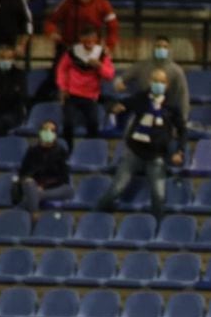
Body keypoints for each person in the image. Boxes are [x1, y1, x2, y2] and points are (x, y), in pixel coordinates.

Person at [96, 68, 186, 219]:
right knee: (116, 189)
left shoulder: (171, 105)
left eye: (162, 82)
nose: (158, 84)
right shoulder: (141, 99)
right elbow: (117, 103)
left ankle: (158, 230)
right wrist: (113, 107)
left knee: (159, 195)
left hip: (157, 155)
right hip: (134, 152)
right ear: (150, 82)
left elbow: (182, 130)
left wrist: (180, 150)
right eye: (155, 81)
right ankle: (96, 218)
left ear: (167, 85)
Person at [36, 0, 119, 103]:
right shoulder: (68, 3)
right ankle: (39, 103)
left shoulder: (103, 4)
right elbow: (51, 21)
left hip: (91, 49)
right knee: (55, 75)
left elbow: (113, 27)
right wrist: (52, 32)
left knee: (95, 77)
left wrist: (109, 45)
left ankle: (96, 103)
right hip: (67, 47)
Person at [56, 26, 116, 151]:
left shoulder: (102, 54)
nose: (89, 41)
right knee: (68, 124)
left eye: (92, 38)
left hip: (90, 96)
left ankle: (90, 150)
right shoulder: (72, 52)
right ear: (81, 38)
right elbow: (61, 70)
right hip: (72, 95)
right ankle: (68, 150)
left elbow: (110, 75)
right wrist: (63, 87)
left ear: (96, 39)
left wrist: (99, 66)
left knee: (93, 124)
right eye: (86, 38)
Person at [115, 36, 190, 122]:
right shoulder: (142, 66)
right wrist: (119, 83)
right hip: (144, 109)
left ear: (169, 49)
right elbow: (121, 78)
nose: (161, 49)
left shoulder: (177, 71)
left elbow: (183, 96)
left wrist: (183, 119)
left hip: (167, 112)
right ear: (153, 48)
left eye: (165, 47)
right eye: (158, 46)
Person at [15, 120, 72, 220]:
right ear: (40, 132)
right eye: (46, 129)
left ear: (55, 134)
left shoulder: (61, 151)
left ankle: (23, 208)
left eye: (52, 130)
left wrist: (44, 186)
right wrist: (30, 180)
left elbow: (63, 178)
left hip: (56, 188)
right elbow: (23, 173)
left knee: (68, 190)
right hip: (32, 186)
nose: (48, 132)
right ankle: (35, 213)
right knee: (29, 184)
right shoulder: (32, 151)